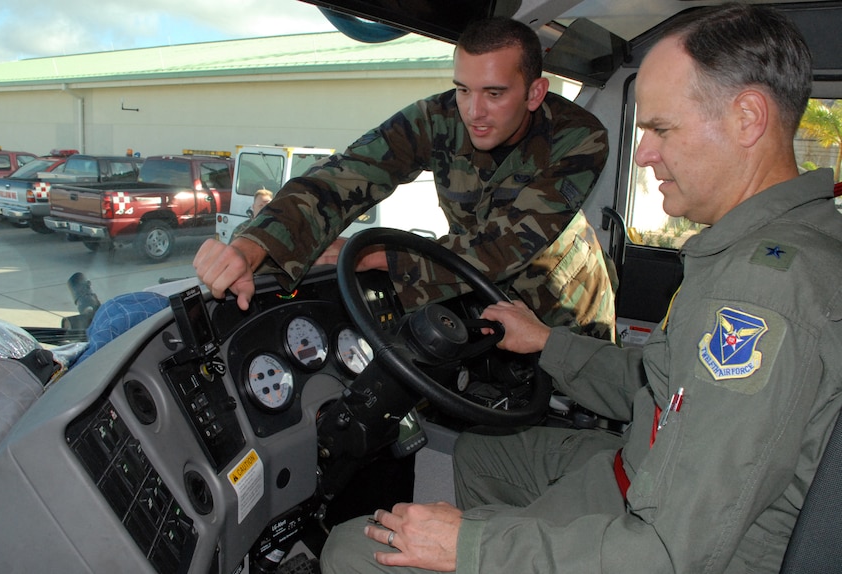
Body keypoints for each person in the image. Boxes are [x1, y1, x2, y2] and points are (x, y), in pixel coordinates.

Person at [320, 4, 842, 573]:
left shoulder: (761, 293)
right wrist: (547, 342)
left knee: (351, 548)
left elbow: (669, 555)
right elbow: (664, 385)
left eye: (661, 129)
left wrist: (470, 547)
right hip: (642, 466)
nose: (642, 153)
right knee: (480, 454)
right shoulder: (772, 245)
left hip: (658, 539)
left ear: (747, 118)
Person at [194, 16, 616, 341]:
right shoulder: (437, 118)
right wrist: (253, 246)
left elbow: (507, 244)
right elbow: (345, 175)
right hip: (474, 298)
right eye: (463, 89)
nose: (473, 112)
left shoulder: (579, 137)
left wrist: (375, 255)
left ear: (535, 93)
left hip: (568, 311)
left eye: (494, 93)